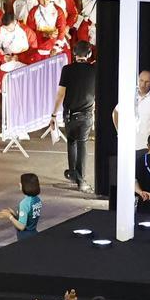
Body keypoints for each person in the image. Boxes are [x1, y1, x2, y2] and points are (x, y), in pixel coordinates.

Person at [48, 40, 95, 193]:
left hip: (69, 114)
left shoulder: (67, 69)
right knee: (82, 145)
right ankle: (81, 180)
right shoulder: (94, 70)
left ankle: (73, 174)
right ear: (88, 54)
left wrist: (54, 113)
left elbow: (61, 93)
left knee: (71, 142)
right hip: (86, 114)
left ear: (74, 54)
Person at [0, 173, 41, 241]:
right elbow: (28, 217)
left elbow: (22, 226)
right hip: (34, 233)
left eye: (21, 182)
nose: (20, 184)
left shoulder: (24, 203)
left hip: (24, 237)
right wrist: (13, 214)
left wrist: (9, 217)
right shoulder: (37, 199)